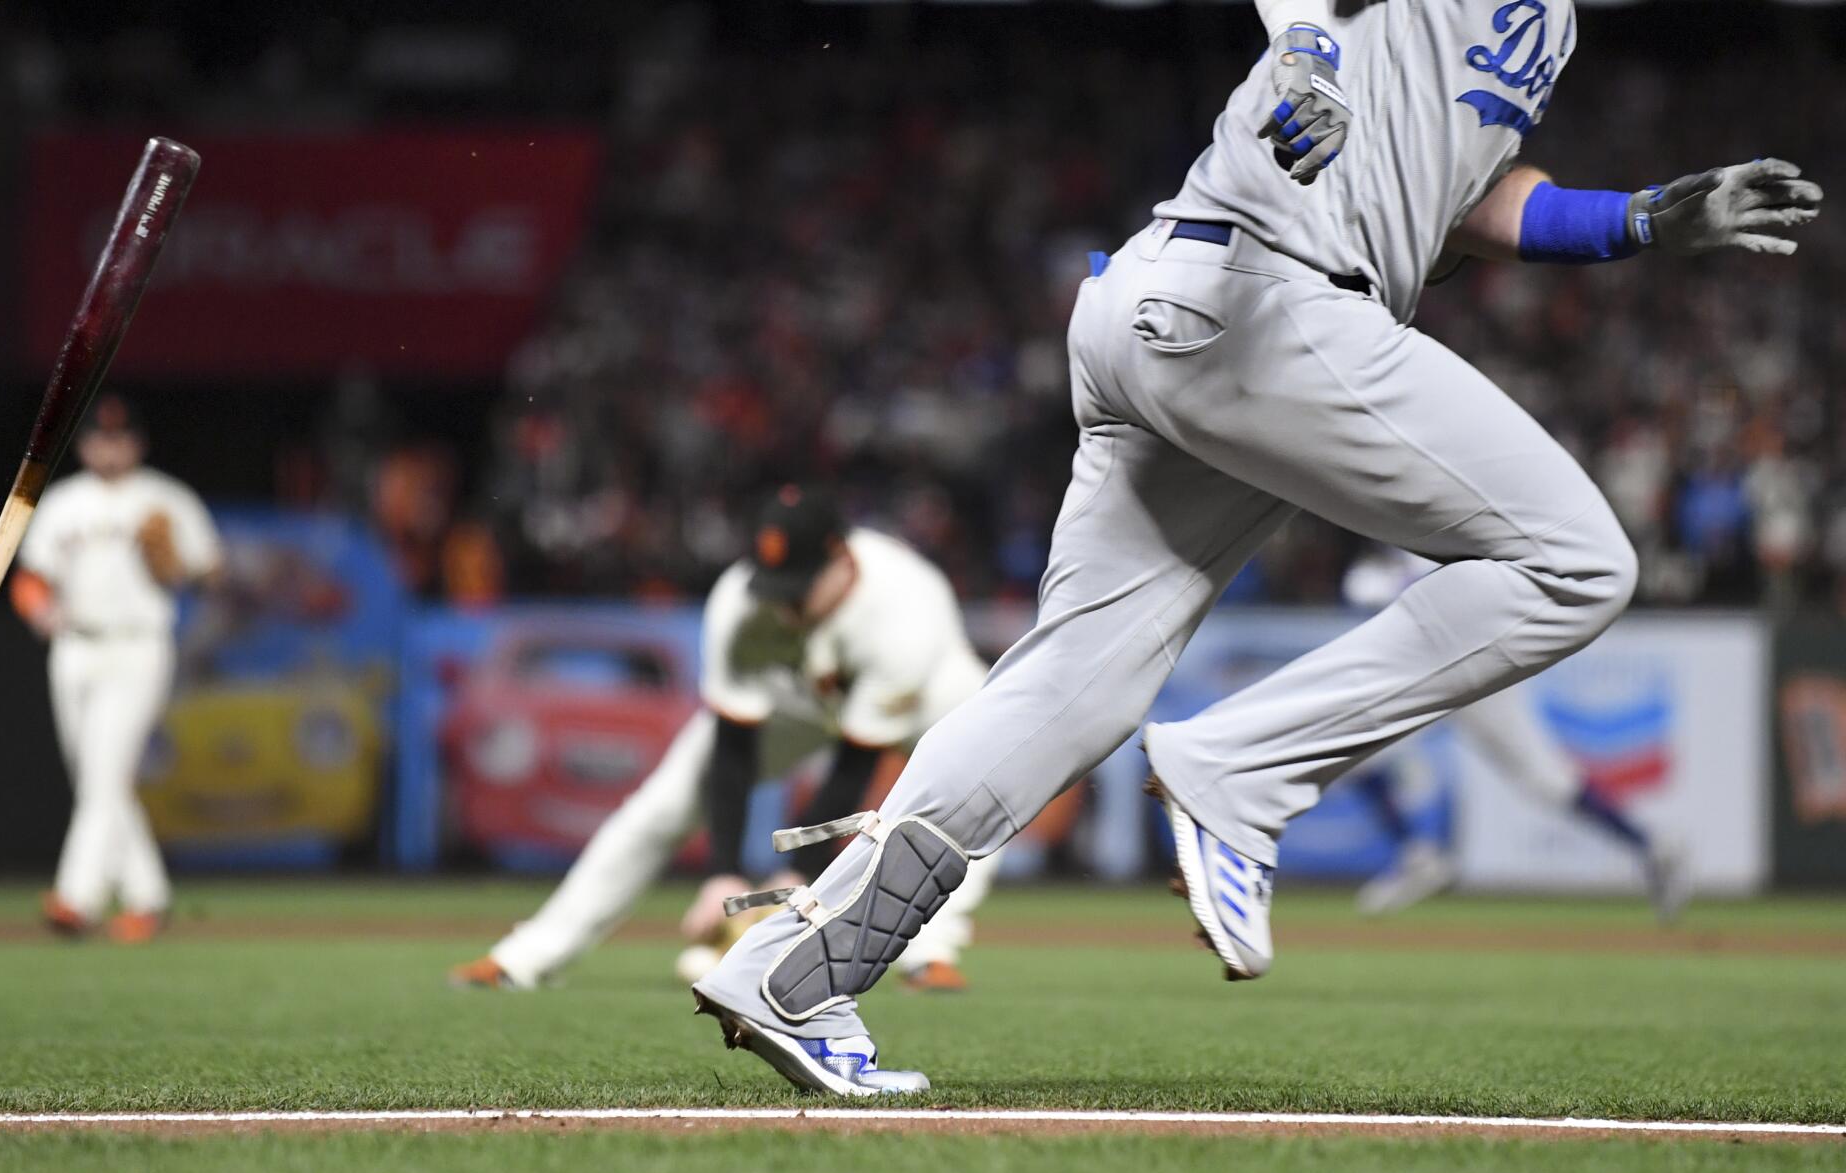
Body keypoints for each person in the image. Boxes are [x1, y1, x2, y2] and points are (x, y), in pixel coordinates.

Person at [692, 0, 1821, 1095]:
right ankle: (1242, 772)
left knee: (1071, 690)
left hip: (1172, 311)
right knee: (1577, 561)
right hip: (1263, 299)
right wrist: (1307, 57)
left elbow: (1464, 196)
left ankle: (797, 973)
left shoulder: (1553, 22)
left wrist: (1638, 219)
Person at [450, 486, 1000, 993]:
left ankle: (931, 953)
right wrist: (723, 876)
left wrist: (792, 882)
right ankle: (527, 955)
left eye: (799, 588)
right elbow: (732, 750)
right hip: (805, 694)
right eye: (774, 586)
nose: (782, 605)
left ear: (843, 560)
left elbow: (853, 769)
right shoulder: (741, 601)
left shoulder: (902, 612)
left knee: (979, 785)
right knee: (661, 804)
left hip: (927, 694)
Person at [1343, 548, 1690, 920]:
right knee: (1353, 757)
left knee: (1548, 781)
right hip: (1422, 675)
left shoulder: (1425, 549)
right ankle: (1418, 855)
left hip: (1478, 670)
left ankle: (1652, 845)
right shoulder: (1368, 571)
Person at [11, 396, 221, 941]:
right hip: (74, 648)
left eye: (121, 436)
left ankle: (76, 898)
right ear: (84, 445)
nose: (110, 446)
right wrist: (40, 608)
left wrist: (173, 565)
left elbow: (210, 571)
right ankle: (149, 898)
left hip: (137, 648)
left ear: (138, 442)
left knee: (103, 775)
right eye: (101, 437)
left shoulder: (165, 498)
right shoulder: (62, 503)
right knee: (96, 779)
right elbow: (29, 578)